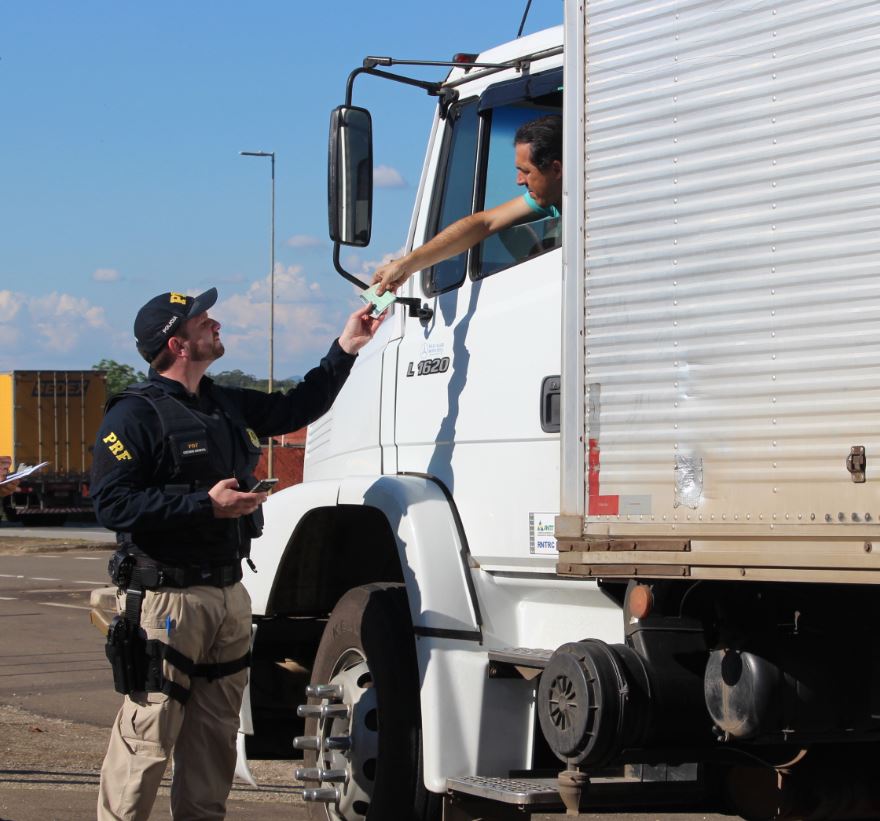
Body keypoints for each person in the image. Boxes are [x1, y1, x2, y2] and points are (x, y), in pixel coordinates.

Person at [92, 287, 384, 821]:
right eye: (204, 320)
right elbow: (112, 504)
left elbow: (299, 406)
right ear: (177, 343)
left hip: (227, 595)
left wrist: (344, 349)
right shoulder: (133, 416)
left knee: (214, 741)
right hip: (165, 602)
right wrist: (205, 505)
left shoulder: (223, 402)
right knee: (147, 739)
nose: (216, 323)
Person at [372, 114, 562, 295]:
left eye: (526, 171)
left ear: (556, 169)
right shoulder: (547, 199)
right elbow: (484, 223)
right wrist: (406, 265)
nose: (519, 181)